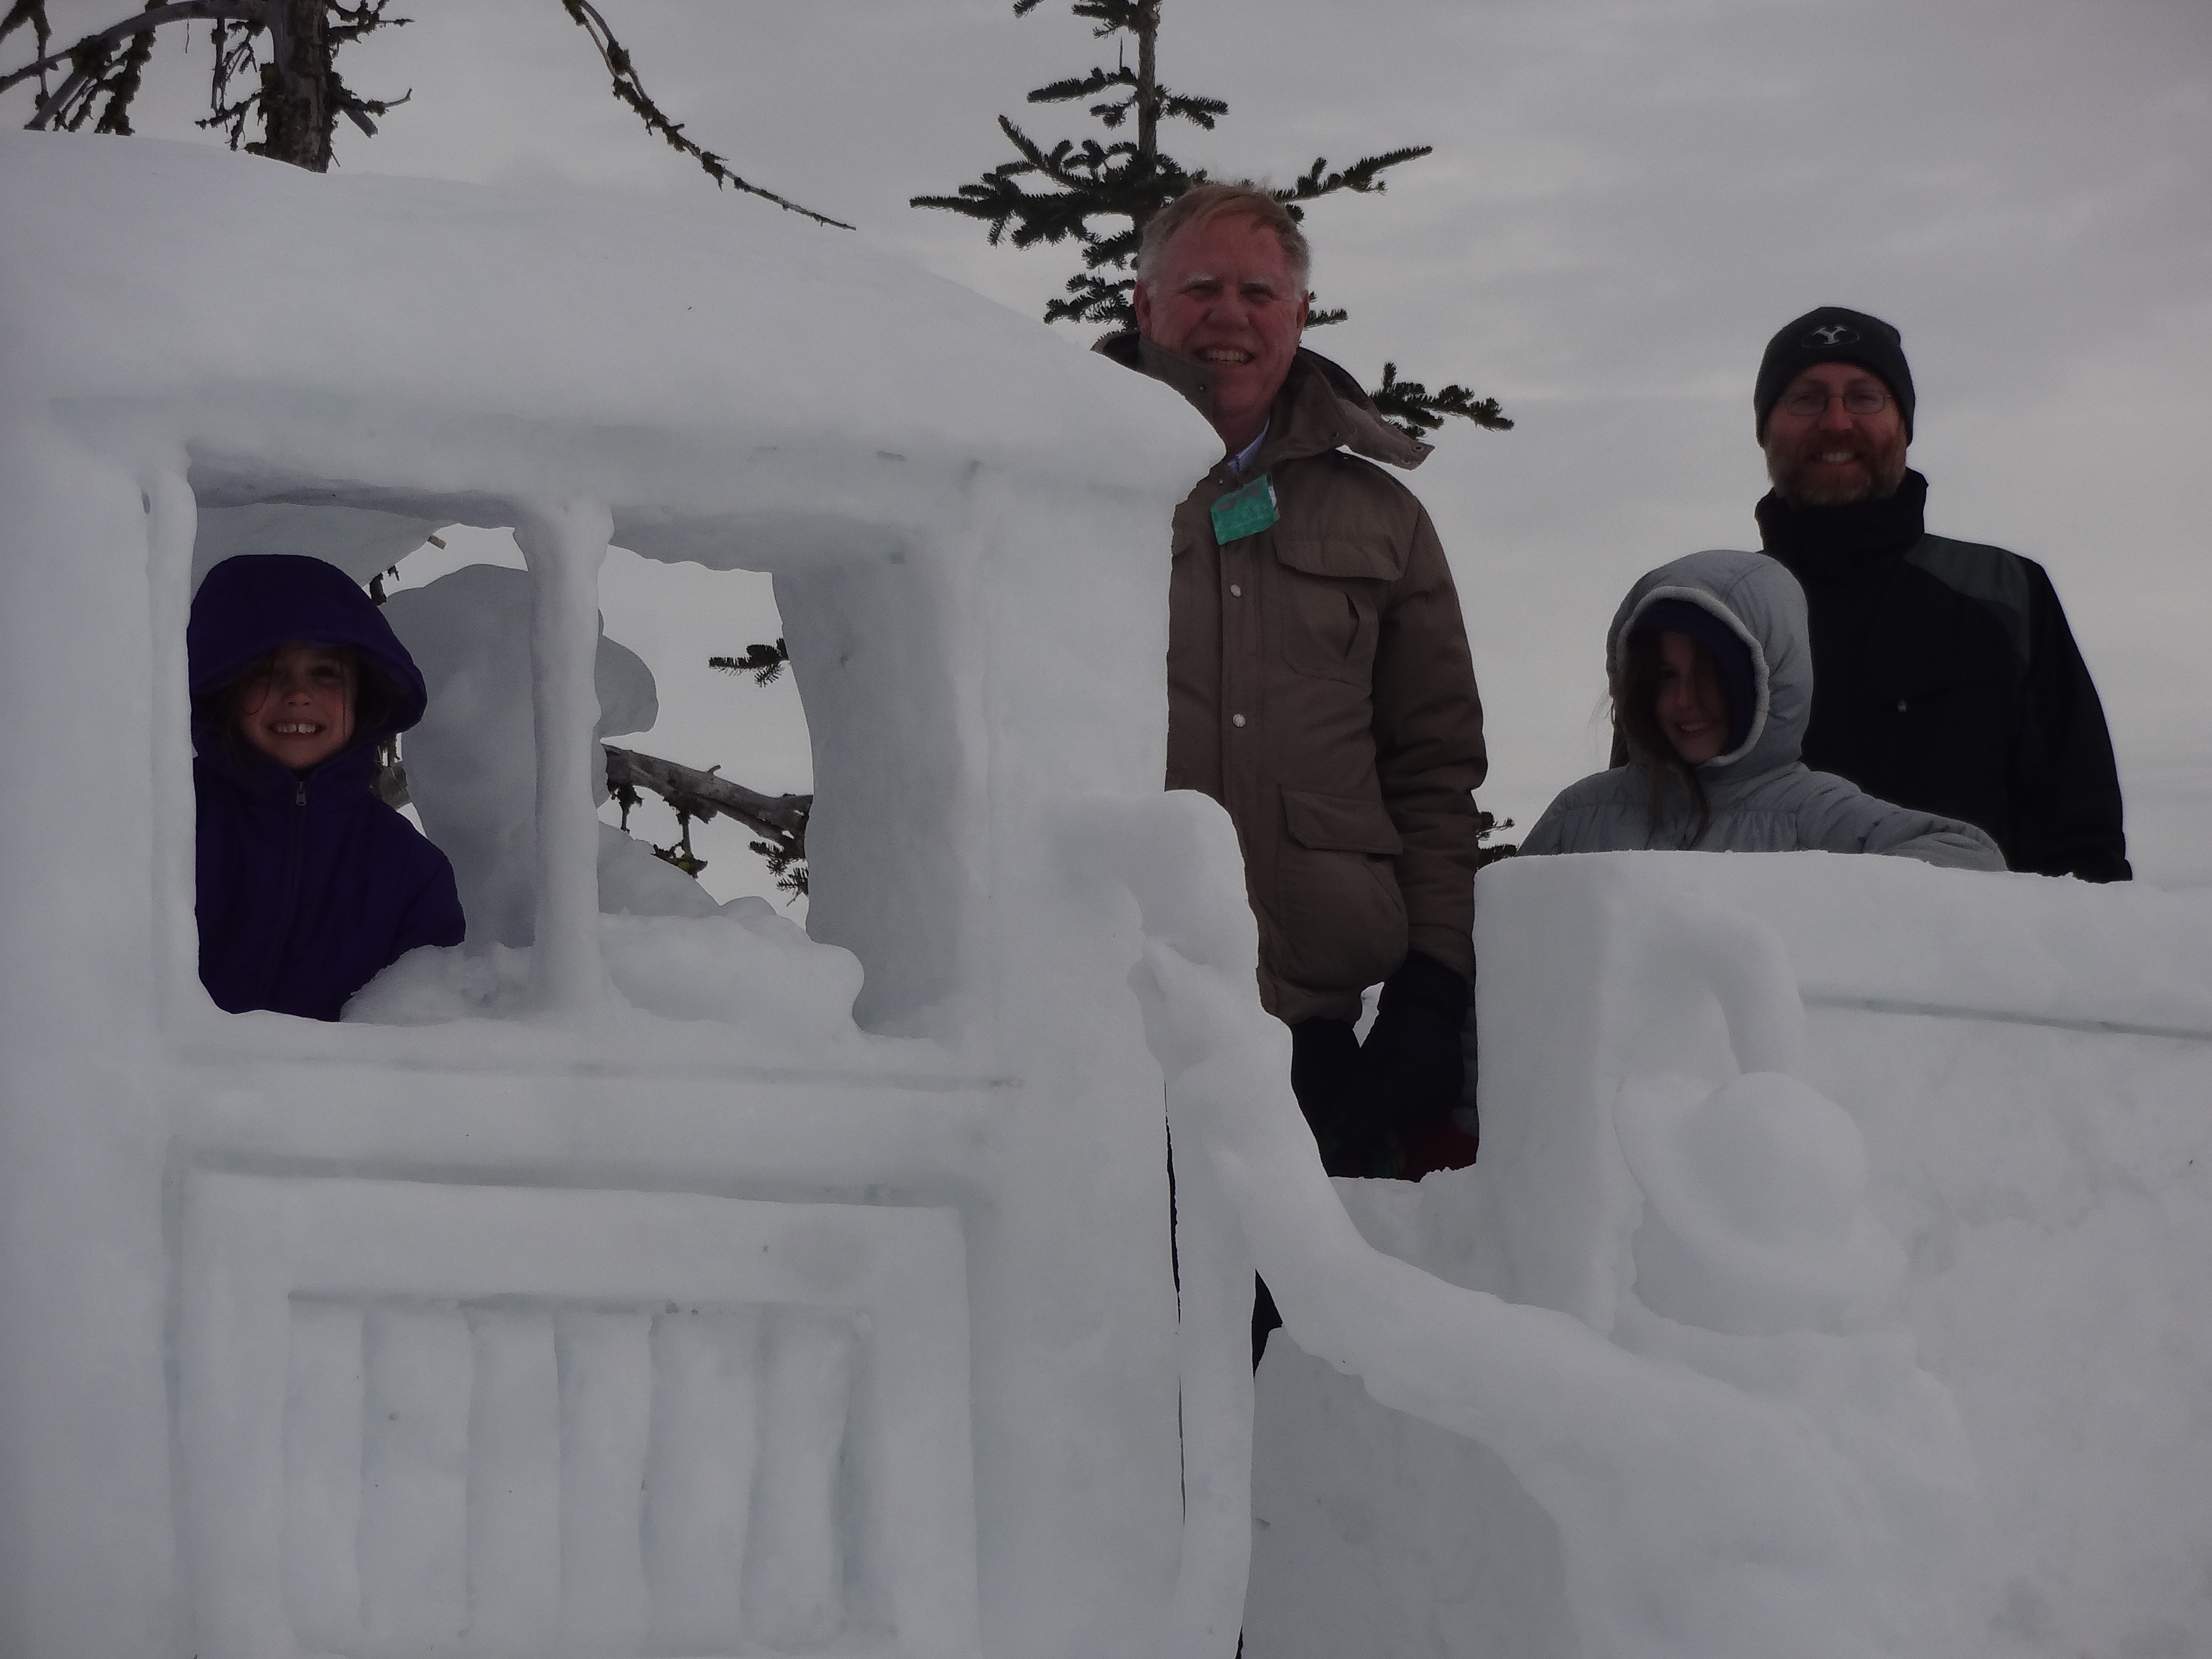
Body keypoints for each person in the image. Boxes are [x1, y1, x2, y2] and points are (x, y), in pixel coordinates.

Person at [1097, 181, 1490, 1182]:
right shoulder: (1069, 489)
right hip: (1102, 1022)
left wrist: (1432, 988)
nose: (1229, 316)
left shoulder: (1384, 522)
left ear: (1301, 313)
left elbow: (1434, 769)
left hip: (1318, 1043)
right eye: (1201, 289)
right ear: (1144, 306)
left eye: (1259, 293)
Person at [1750, 305, 2128, 880]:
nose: (1837, 421)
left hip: (1971, 941)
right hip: (1754, 941)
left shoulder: (2007, 596)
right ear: (1765, 430)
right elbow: (1638, 823)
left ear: (1903, 424)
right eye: (1806, 398)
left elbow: (2083, 842)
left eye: (1864, 397)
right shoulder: (1708, 612)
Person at [1525, 549, 2004, 867]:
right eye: (1666, 675)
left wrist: (1807, 915)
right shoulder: (1578, 818)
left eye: (1711, 675)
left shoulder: (1812, 813)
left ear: (1769, 679)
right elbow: (1501, 952)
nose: (1683, 702)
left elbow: (1969, 857)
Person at [189, 553, 465, 1020]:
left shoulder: (411, 873)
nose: (298, 694)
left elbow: (424, 1032)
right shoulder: (168, 821)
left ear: (364, 695)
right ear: (225, 690)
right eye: (267, 671)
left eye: (325, 673)